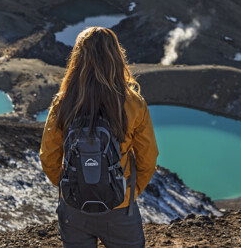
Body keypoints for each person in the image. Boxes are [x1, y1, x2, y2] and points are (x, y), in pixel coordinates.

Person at [40, 27, 159, 248]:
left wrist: (72, 187)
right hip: (119, 209)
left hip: (74, 209)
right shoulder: (133, 103)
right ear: (116, 56)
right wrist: (127, 193)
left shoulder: (63, 102)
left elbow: (48, 156)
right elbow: (148, 158)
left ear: (77, 59)